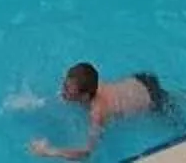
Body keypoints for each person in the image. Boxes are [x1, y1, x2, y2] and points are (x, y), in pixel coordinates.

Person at [29, 64, 169, 160]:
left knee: (181, 104)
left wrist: (49, 151)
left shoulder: (97, 113)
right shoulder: (90, 83)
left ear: (84, 97)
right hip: (140, 80)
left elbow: (87, 153)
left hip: (152, 101)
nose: (62, 93)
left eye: (68, 92)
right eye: (64, 85)